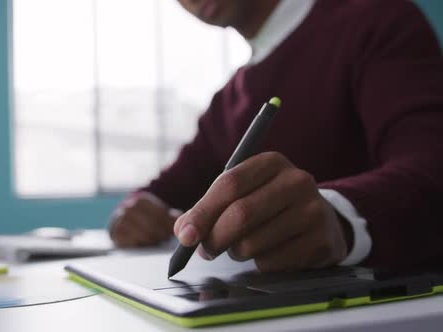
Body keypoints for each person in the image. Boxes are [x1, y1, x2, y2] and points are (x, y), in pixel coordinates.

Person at [109, 0, 443, 272]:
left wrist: (339, 216)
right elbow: (165, 190)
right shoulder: (227, 100)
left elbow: (431, 165)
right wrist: (134, 211)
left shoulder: (377, 19)